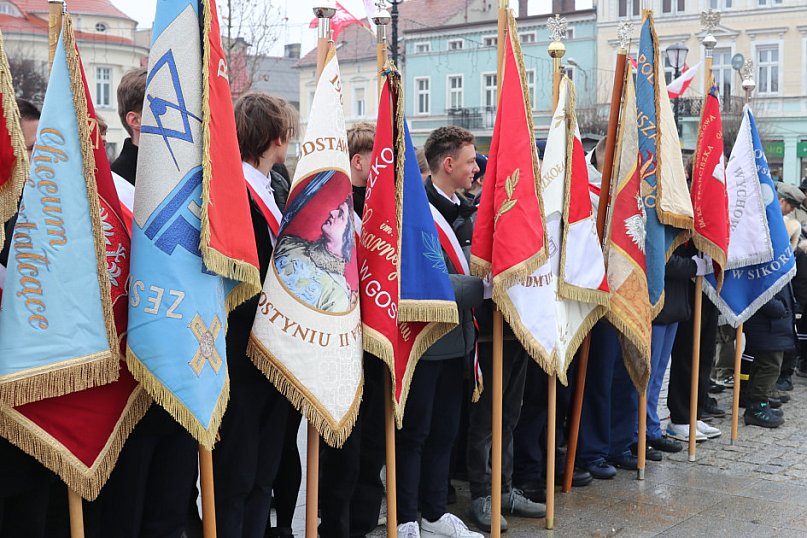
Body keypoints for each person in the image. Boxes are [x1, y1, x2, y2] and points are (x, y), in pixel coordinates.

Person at [95, 67, 200, 538]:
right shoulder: (107, 188)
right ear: (135, 122)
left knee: (173, 502)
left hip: (184, 361)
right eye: (168, 112)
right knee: (127, 506)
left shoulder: (194, 183)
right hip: (129, 370)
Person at [212, 92, 298, 538]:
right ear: (274, 137)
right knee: (239, 474)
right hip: (242, 350)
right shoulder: (234, 191)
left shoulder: (272, 188)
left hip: (276, 349)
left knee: (264, 470)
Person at [396, 126, 484, 538]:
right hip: (425, 341)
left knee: (446, 431)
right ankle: (405, 517)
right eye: (470, 160)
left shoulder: (464, 209)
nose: (476, 168)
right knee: (416, 432)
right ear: (447, 165)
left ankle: (433, 512)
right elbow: (427, 280)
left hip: (459, 341)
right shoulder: (417, 210)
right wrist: (486, 285)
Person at [318, 122, 387, 538]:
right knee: (343, 447)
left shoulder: (385, 211)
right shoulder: (334, 209)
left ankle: (361, 525)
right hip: (341, 345)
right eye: (376, 158)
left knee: (373, 448)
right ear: (358, 161)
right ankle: (336, 526)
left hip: (376, 341)